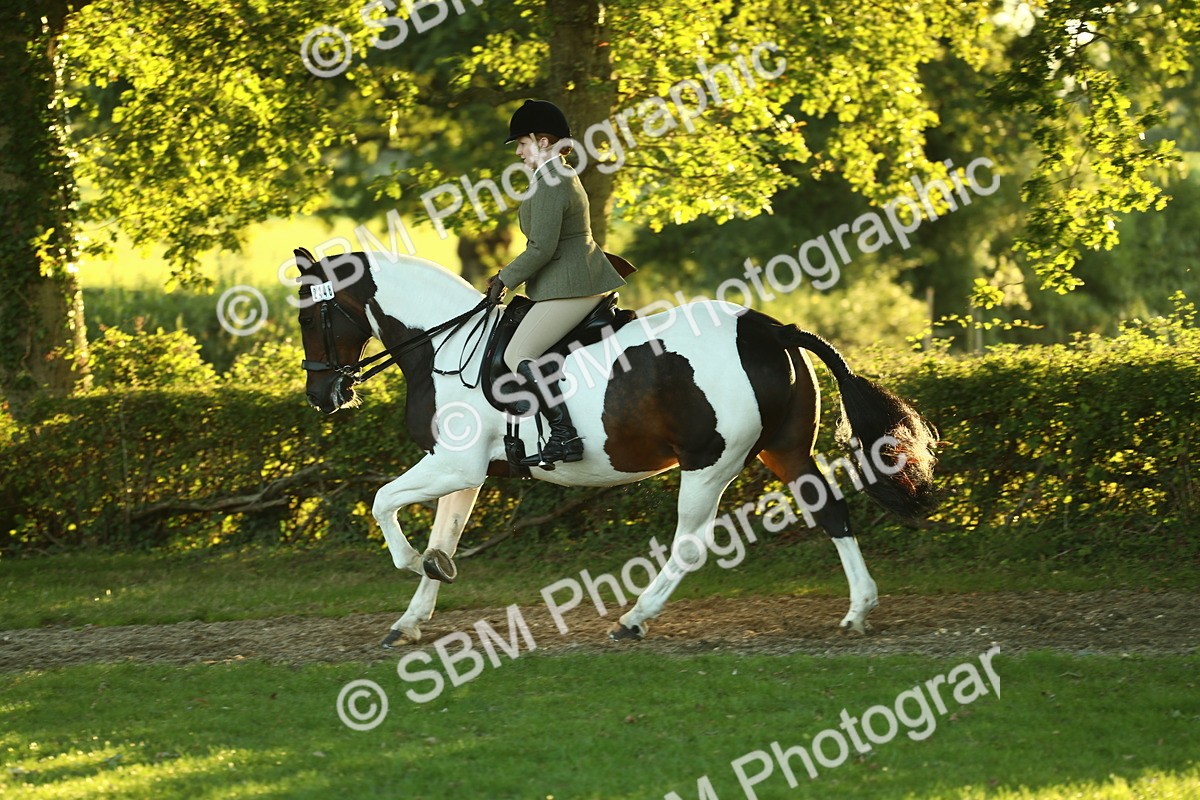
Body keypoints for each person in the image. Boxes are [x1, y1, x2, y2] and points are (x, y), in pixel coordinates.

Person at [486, 99, 626, 467]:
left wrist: (505, 278)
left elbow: (541, 248)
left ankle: (565, 435)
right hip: (566, 282)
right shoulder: (552, 175)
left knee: (519, 355)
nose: (517, 152)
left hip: (573, 285)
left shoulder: (551, 180)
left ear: (544, 141)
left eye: (522, 143)